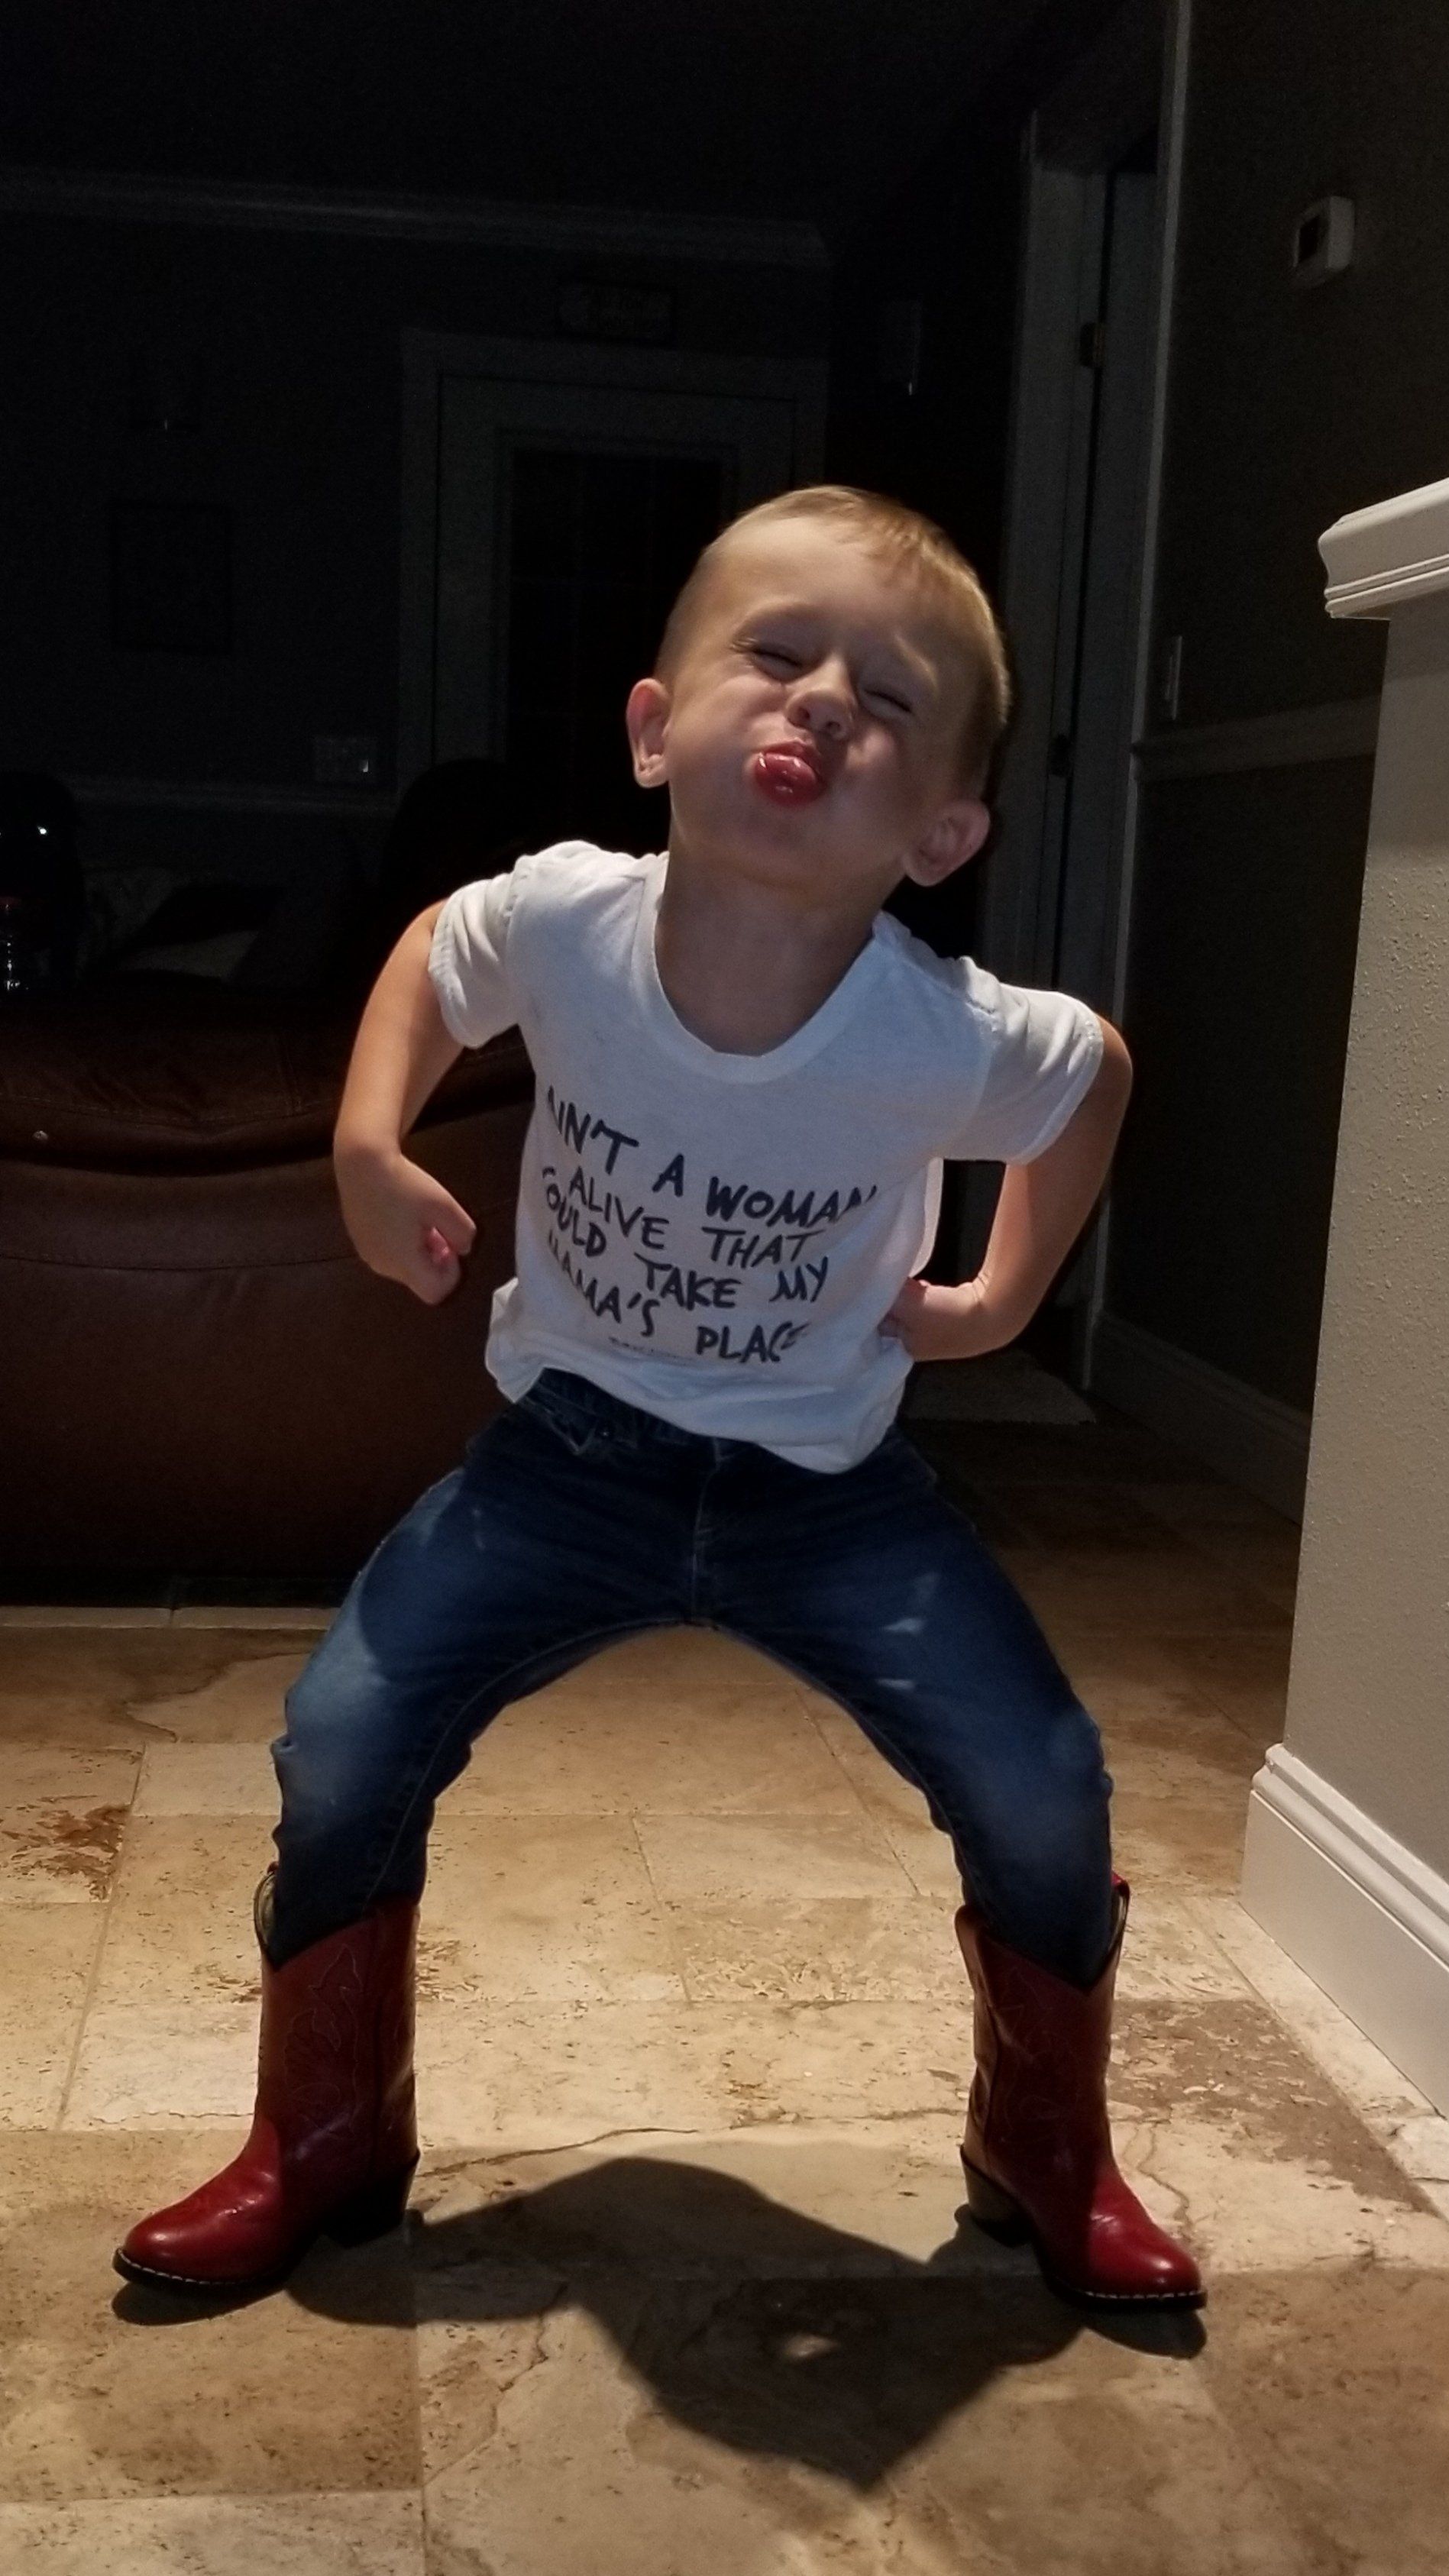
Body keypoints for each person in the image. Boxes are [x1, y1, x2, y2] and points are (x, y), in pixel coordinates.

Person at [115, 484, 1205, 2313]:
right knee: (345, 1734)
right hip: (569, 1458)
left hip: (825, 1488)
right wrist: (367, 1145)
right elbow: (432, 961)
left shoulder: (940, 1034)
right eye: (775, 655)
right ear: (655, 725)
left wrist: (1005, 1293)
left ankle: (1048, 2144)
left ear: (942, 830)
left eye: (888, 696)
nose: (821, 703)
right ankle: (327, 2132)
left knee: (1041, 1781)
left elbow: (1089, 1074)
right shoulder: (567, 921)